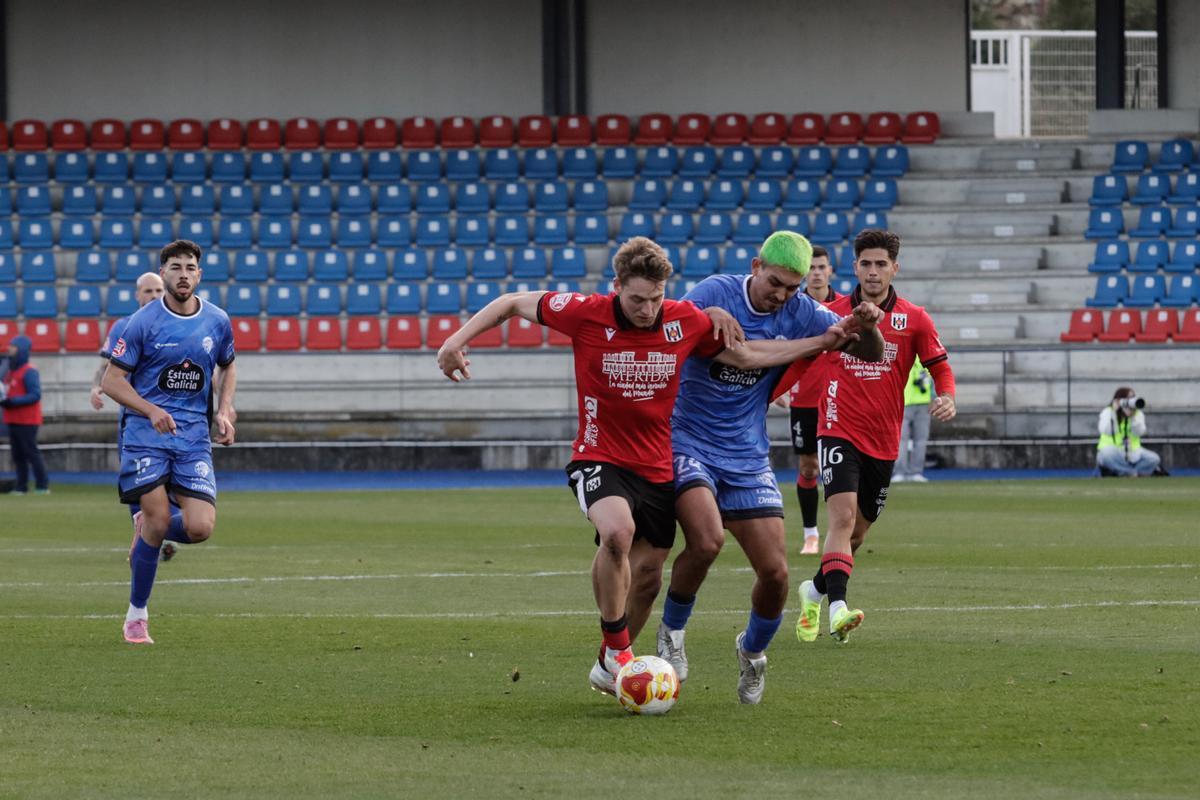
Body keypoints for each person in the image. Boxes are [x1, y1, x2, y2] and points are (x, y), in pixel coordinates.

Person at [436, 236, 864, 701]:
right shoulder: (585, 311)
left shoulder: (684, 320)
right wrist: (455, 341)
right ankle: (626, 647)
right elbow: (513, 302)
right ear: (617, 286)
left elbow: (744, 355)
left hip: (660, 463)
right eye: (637, 298)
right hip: (609, 453)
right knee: (633, 536)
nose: (646, 309)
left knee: (653, 574)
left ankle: (626, 658)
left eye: (656, 299)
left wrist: (825, 340)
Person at [653, 232, 883, 704]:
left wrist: (866, 323)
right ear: (756, 266)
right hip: (687, 438)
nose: (782, 295)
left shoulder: (800, 312)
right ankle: (672, 632)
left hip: (746, 452)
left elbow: (870, 352)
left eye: (793, 288)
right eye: (776, 283)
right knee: (707, 540)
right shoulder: (715, 294)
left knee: (776, 573)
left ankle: (752, 652)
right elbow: (738, 355)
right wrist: (818, 342)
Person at [795, 229, 956, 645]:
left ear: (894, 268)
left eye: (881, 263)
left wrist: (948, 396)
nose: (872, 271)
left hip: (884, 439)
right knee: (842, 519)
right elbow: (798, 353)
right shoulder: (830, 312)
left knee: (857, 534)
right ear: (854, 268)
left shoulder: (914, 318)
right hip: (836, 428)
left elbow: (939, 365)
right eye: (865, 263)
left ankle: (813, 591)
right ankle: (838, 611)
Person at [101, 240, 237, 645]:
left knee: (199, 528)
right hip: (146, 436)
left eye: (189, 267)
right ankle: (136, 616)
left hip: (193, 437)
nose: (182, 274)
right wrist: (150, 410)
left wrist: (224, 411)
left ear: (199, 275)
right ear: (163, 274)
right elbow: (111, 381)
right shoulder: (140, 323)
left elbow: (228, 366)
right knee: (160, 519)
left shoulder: (217, 320)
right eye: (174, 267)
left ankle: (147, 531)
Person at [91, 272, 182, 562]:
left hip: (174, 416)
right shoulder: (124, 326)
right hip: (135, 418)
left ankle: (155, 532)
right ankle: (143, 532)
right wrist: (96, 386)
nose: (154, 295)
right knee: (138, 480)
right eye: (148, 291)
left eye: (158, 290)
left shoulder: (180, 325)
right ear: (137, 294)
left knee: (175, 481)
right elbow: (107, 366)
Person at [783, 244, 841, 554]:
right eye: (812, 268)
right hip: (804, 399)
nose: (817, 273)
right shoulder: (793, 307)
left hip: (838, 399)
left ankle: (841, 530)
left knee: (839, 467)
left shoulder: (843, 307)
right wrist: (778, 386)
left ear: (830, 270)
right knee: (809, 468)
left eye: (822, 268)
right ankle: (810, 533)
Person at [2, 335, 50, 494]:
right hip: (13, 419)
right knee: (18, 456)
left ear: (21, 350)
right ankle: (21, 487)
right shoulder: (10, 371)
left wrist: (12, 401)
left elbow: (35, 395)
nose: (9, 349)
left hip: (27, 420)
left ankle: (42, 486)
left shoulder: (29, 371)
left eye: (13, 347)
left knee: (31, 453)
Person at [1096, 388, 1162, 477]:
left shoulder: (1137, 414)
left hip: (1133, 452)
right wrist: (1115, 414)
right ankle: (1130, 473)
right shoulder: (1108, 412)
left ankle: (1125, 472)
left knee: (1154, 459)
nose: (1132, 401)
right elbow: (1106, 431)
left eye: (1133, 397)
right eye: (1129, 398)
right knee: (1105, 454)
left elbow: (1140, 432)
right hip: (1113, 451)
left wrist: (1132, 418)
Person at [893, 361, 934, 483]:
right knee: (901, 440)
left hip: (923, 403)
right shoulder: (902, 354)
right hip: (903, 403)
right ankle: (899, 471)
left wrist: (933, 396)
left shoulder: (925, 357)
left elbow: (932, 379)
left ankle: (916, 471)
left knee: (921, 439)